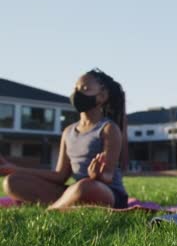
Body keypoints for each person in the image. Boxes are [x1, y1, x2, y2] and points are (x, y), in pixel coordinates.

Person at [1, 69, 129, 209]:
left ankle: (53, 209)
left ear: (102, 96)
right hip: (75, 190)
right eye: (76, 88)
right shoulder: (68, 132)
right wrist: (14, 169)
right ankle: (67, 203)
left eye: (85, 89)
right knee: (12, 182)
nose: (77, 93)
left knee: (85, 186)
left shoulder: (109, 129)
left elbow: (108, 176)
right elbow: (60, 175)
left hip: (106, 192)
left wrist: (97, 176)